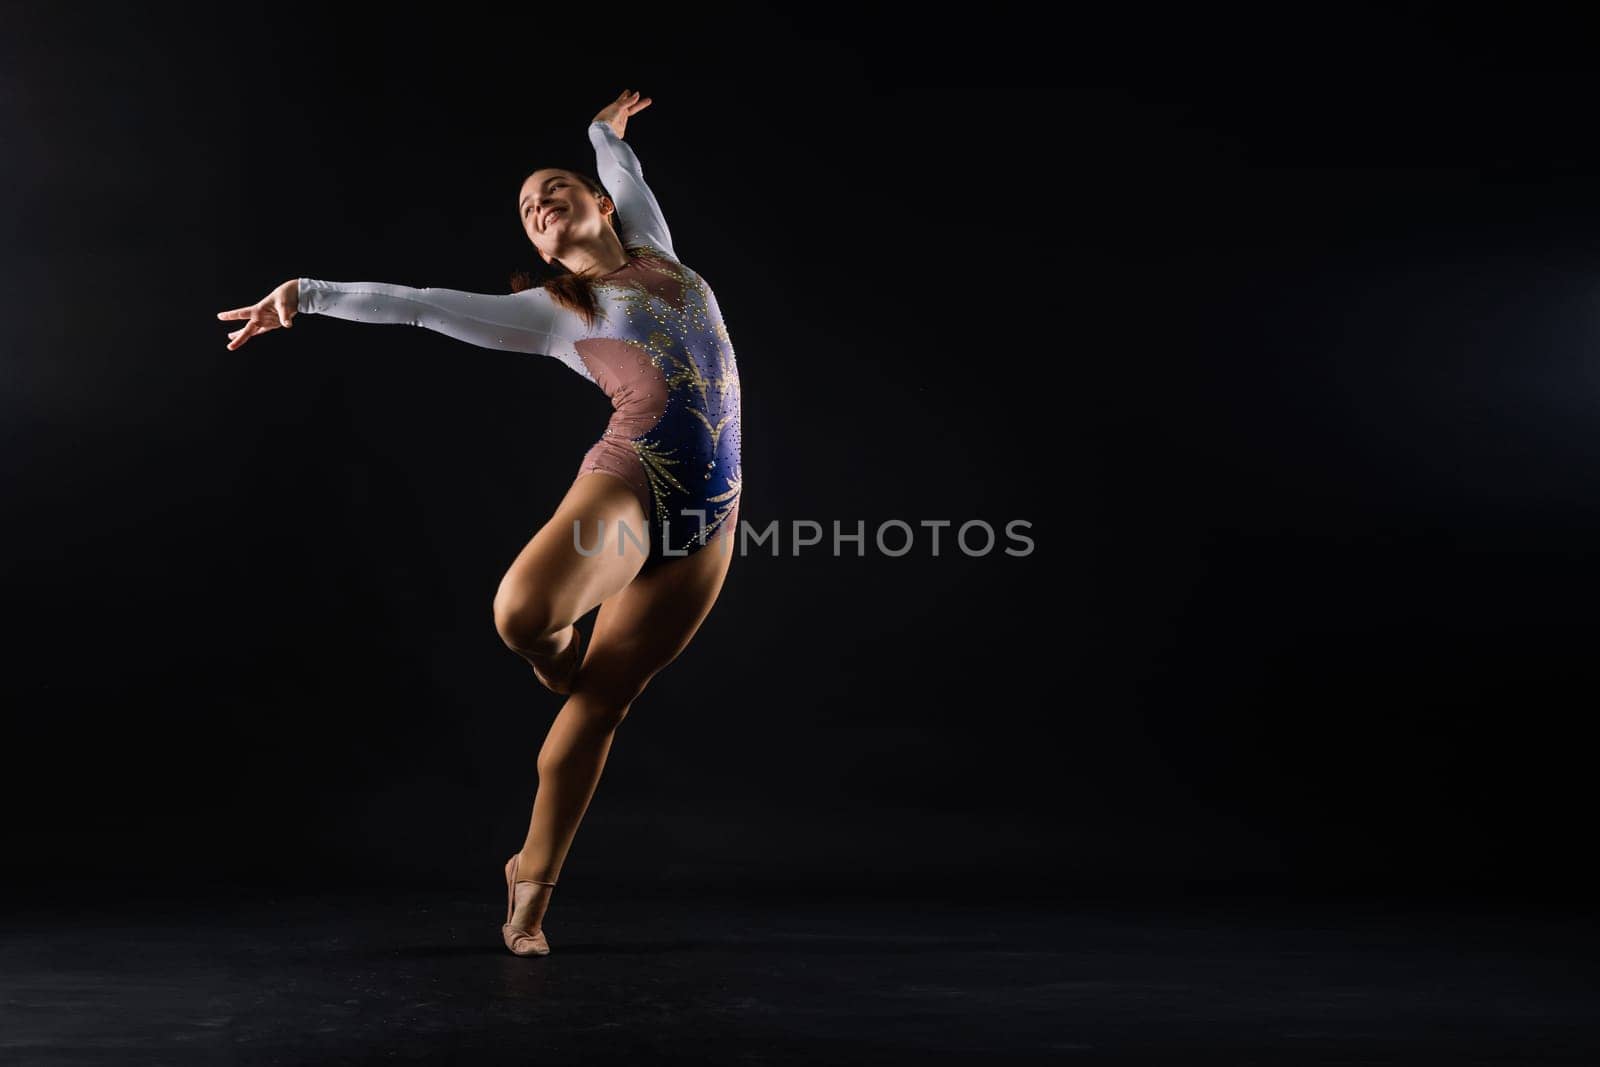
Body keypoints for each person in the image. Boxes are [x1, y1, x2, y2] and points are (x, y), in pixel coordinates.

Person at [216, 90, 743, 958]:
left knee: (603, 708)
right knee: (523, 616)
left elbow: (625, 169)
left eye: (553, 191)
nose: (538, 208)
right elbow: (418, 302)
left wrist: (601, 133)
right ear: (536, 244)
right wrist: (305, 295)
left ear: (599, 207)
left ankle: (528, 889)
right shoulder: (554, 313)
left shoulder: (656, 248)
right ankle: (555, 655)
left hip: (713, 518)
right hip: (630, 489)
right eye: (528, 210)